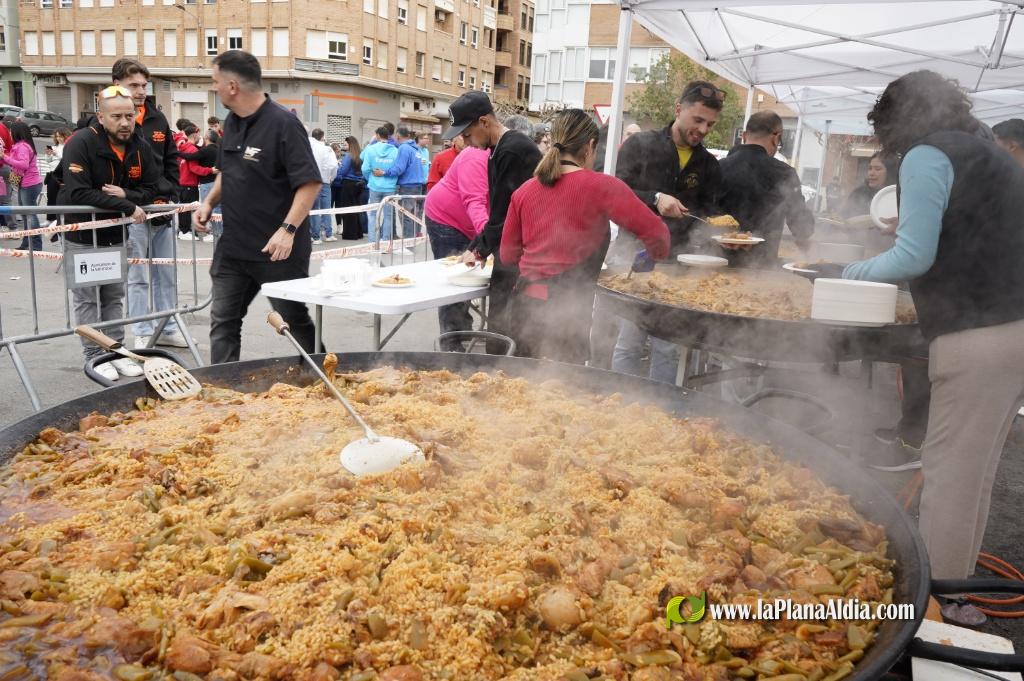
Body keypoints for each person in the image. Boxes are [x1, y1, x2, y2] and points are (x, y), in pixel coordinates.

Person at [837, 70, 1024, 580]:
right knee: (975, 470)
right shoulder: (985, 153)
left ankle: (937, 603)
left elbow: (913, 257)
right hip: (1013, 329)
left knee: (949, 473)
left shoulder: (926, 153)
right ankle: (955, 587)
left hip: (976, 335)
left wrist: (844, 275)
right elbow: (965, 230)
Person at [502, 109, 670, 364]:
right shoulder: (602, 186)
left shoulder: (524, 191)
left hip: (524, 306)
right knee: (566, 393)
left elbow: (508, 255)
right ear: (590, 145)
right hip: (567, 314)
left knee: (524, 387)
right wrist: (651, 256)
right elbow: (659, 237)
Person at [192, 50, 321, 364]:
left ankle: (324, 376)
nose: (214, 88)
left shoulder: (283, 124)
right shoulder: (232, 122)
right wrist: (208, 202)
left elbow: (310, 183)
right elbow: (229, 172)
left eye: (215, 82)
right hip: (234, 248)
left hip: (276, 251)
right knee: (223, 321)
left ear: (232, 86)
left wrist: (287, 231)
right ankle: (222, 390)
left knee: (293, 321)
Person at [610, 80, 724, 384]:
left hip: (678, 263)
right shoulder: (640, 145)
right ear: (678, 110)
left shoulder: (709, 164)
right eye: (697, 120)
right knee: (630, 342)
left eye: (710, 124)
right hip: (636, 256)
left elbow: (708, 215)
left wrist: (721, 234)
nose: (703, 130)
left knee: (668, 347)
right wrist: (655, 199)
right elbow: (616, 194)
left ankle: (660, 409)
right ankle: (620, 399)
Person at [60, 85, 159, 381]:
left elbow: (154, 188)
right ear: (101, 117)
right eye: (117, 116)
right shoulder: (80, 142)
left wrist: (125, 196)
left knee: (114, 298)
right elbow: (78, 193)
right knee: (87, 299)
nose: (125, 122)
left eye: (130, 115)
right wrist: (127, 205)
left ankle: (117, 351)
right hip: (82, 237)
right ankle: (94, 355)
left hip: (117, 237)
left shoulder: (140, 146)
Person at [444, 91, 543, 352]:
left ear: (485, 122)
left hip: (522, 255)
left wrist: (477, 249)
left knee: (507, 333)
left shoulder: (512, 151)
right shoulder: (498, 149)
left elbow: (503, 215)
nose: (465, 142)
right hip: (513, 249)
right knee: (501, 328)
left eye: (467, 134)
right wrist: (477, 246)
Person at [109, 58, 185, 350]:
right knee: (137, 276)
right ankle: (142, 329)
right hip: (131, 215)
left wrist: (171, 193)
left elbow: (171, 160)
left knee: (165, 274)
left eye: (144, 85)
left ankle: (167, 327)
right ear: (117, 86)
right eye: (134, 85)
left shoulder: (158, 118)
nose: (140, 91)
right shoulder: (105, 122)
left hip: (162, 210)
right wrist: (130, 200)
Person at [716, 111, 814, 267]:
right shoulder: (785, 173)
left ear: (744, 135)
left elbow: (702, 219)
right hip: (762, 269)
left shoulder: (719, 167)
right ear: (776, 138)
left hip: (716, 264)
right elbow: (803, 228)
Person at [423, 144, 490, 350]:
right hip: (446, 219)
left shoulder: (502, 158)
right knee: (455, 281)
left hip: (470, 225)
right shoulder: (476, 157)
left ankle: (464, 329)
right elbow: (475, 200)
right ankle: (451, 341)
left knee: (468, 280)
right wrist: (488, 238)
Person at [372, 126, 424, 239]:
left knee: (405, 215)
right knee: (413, 215)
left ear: (398, 136)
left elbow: (399, 168)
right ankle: (411, 240)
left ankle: (407, 243)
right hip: (418, 185)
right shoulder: (415, 148)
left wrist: (384, 172)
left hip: (408, 186)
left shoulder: (404, 148)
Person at [0, 122, 44, 251]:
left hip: (29, 184)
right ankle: (27, 242)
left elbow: (23, 165)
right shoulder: (22, 145)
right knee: (26, 214)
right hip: (27, 183)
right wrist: (3, 157)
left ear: (16, 132)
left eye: (11, 132)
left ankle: (36, 244)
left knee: (30, 214)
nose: (10, 134)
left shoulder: (22, 146)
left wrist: (5, 158)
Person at [176, 124, 215, 243]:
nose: (201, 136)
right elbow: (194, 168)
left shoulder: (183, 147)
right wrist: (210, 170)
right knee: (187, 208)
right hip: (189, 183)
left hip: (182, 182)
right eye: (199, 133)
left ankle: (184, 230)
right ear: (195, 134)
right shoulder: (192, 149)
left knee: (184, 208)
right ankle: (184, 231)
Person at [361, 126, 398, 242]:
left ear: (377, 135)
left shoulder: (370, 149)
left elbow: (365, 168)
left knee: (373, 214)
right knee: (388, 215)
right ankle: (385, 240)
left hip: (374, 186)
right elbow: (397, 169)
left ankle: (372, 241)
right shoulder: (396, 151)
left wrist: (370, 178)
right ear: (389, 136)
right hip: (390, 187)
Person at [841, 152, 897, 218]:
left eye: (877, 169)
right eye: (870, 168)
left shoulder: (896, 196)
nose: (871, 173)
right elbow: (844, 217)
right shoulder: (858, 193)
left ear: (890, 172)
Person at [308, 127, 339, 244]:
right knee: (326, 209)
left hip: (311, 181)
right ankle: (328, 234)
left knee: (313, 209)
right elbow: (334, 166)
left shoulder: (308, 145)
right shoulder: (327, 149)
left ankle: (315, 236)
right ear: (322, 137)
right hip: (325, 182)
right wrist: (331, 177)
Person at [334, 136, 366, 240]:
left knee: (348, 210)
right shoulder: (360, 156)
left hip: (348, 184)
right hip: (358, 184)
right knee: (356, 209)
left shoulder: (348, 156)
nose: (344, 146)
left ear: (351, 145)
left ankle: (350, 234)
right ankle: (358, 232)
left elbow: (343, 171)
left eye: (345, 144)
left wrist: (338, 170)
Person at [44, 127, 72, 227]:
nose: (59, 138)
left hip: (63, 175)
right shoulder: (54, 147)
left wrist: (57, 154)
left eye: (61, 136)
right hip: (52, 174)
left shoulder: (69, 146)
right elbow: (48, 161)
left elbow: (67, 158)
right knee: (51, 197)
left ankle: (61, 219)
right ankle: (50, 219)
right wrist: (49, 155)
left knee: (62, 197)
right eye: (57, 136)